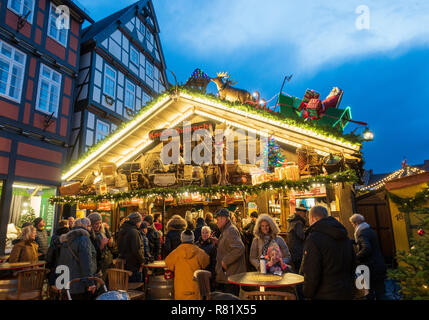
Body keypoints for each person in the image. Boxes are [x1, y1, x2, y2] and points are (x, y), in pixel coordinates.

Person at [301, 206, 356, 300]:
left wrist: (307, 293)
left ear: (312, 218)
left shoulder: (314, 238)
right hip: (346, 290)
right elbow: (353, 263)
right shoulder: (344, 235)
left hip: (324, 293)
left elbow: (312, 271)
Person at [57, 218, 97, 300]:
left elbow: (61, 261)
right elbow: (86, 262)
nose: (91, 228)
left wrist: (60, 282)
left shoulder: (67, 238)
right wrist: (90, 282)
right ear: (85, 226)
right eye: (89, 226)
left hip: (67, 280)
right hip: (79, 282)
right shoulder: (84, 238)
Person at [350, 213, 386, 300]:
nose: (352, 226)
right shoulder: (369, 230)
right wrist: (353, 241)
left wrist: (355, 257)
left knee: (369, 291)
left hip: (370, 266)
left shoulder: (361, 233)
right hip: (379, 264)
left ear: (356, 223)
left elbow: (367, 248)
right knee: (380, 290)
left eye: (352, 224)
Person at [165, 230, 210, 300]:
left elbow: (168, 263)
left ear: (181, 239)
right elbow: (206, 262)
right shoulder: (199, 252)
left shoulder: (175, 253)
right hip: (195, 290)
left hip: (180, 290)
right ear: (193, 239)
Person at [212, 208, 246, 296]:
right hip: (229, 274)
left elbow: (239, 248)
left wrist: (225, 261)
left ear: (224, 219)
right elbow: (228, 246)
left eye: (218, 219)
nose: (216, 222)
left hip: (231, 274)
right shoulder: (226, 230)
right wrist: (218, 242)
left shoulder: (230, 230)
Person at [117, 213, 145, 283]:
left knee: (126, 286)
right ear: (137, 221)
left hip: (125, 264)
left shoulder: (122, 230)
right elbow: (136, 250)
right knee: (135, 287)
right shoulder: (134, 232)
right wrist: (142, 261)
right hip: (133, 265)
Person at [88, 213, 114, 279]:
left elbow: (109, 248)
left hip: (103, 264)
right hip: (96, 266)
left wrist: (109, 243)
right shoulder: (90, 235)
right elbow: (93, 254)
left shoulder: (101, 233)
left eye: (100, 223)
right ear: (91, 224)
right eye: (96, 223)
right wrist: (102, 245)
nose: (98, 225)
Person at [46, 220, 70, 285]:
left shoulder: (54, 237)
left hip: (55, 266)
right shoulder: (68, 243)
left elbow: (49, 257)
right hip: (62, 266)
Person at [286, 207, 308, 272]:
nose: (305, 215)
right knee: (299, 268)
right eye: (304, 213)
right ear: (300, 213)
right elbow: (302, 236)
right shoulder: (298, 222)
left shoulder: (291, 220)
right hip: (298, 249)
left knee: (295, 267)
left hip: (292, 248)